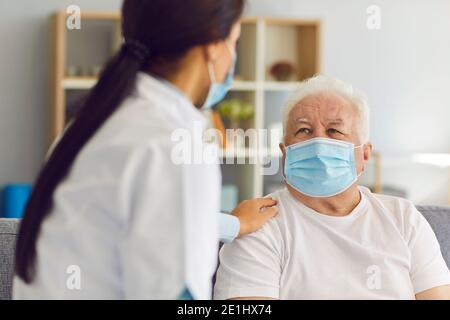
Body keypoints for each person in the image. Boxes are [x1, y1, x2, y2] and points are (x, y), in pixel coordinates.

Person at [13, 0, 277, 299]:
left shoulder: (92, 122)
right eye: (235, 41)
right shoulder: (173, 145)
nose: (233, 57)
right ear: (212, 45)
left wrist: (234, 224)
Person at [214, 75, 450, 300]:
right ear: (285, 154)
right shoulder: (258, 227)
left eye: (334, 131)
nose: (318, 142)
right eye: (303, 130)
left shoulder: (404, 218)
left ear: (364, 155)